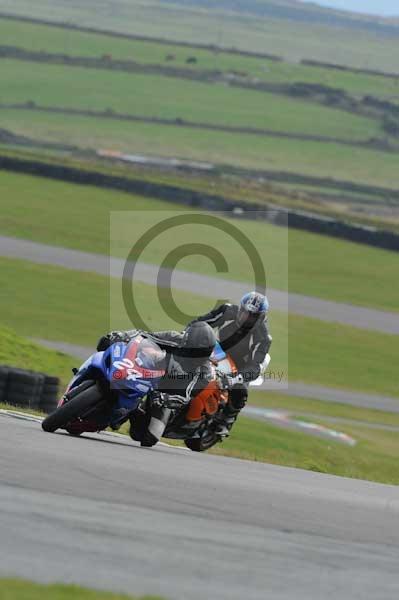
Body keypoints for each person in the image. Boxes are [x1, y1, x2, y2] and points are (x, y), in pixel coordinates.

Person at [97, 322, 218, 446]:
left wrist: (166, 398)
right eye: (197, 351)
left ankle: (134, 411)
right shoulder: (174, 338)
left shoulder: (205, 371)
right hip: (149, 372)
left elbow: (187, 394)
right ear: (187, 342)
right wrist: (122, 335)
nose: (201, 355)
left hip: (167, 394)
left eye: (205, 352)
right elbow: (142, 336)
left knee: (150, 438)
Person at [187, 291, 272, 441]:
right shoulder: (226, 311)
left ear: (261, 318)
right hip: (217, 350)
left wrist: (234, 379)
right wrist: (187, 335)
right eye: (245, 313)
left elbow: (255, 366)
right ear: (240, 309)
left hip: (242, 365)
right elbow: (200, 323)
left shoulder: (263, 337)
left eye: (253, 316)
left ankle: (227, 419)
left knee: (240, 388)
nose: (247, 318)